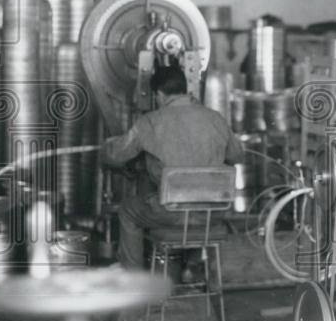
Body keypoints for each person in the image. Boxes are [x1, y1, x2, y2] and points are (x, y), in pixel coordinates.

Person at [101, 65, 243, 269]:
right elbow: (237, 156)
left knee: (128, 210)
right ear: (185, 89)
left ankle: (133, 278)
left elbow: (115, 156)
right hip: (212, 213)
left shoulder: (150, 121)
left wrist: (105, 148)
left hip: (170, 214)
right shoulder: (216, 119)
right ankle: (192, 269)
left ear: (159, 94)